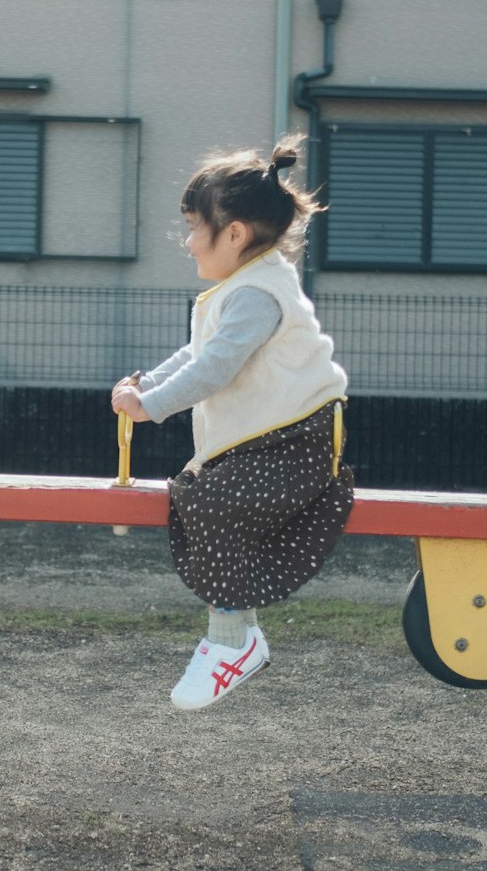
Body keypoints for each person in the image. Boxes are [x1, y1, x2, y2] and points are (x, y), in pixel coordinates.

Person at [111, 135, 354, 710]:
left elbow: (215, 367)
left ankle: (230, 642)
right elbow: (199, 354)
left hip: (296, 444)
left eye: (197, 228)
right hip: (265, 444)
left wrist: (152, 405)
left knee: (217, 501)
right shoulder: (240, 290)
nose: (189, 241)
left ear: (236, 233)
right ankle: (236, 637)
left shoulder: (257, 294)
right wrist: (148, 383)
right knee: (204, 496)